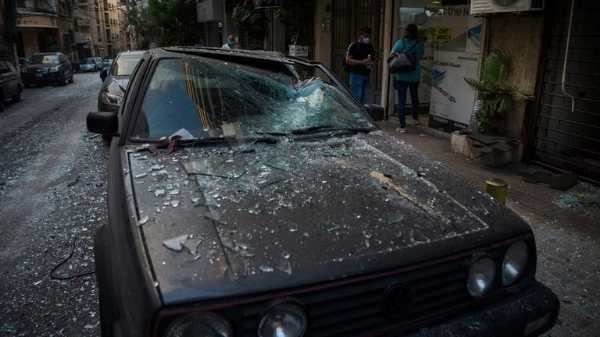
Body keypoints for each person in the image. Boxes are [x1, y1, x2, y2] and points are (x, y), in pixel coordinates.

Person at [389, 24, 424, 133]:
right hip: (414, 75)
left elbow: (392, 56)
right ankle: (415, 118)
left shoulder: (400, 42)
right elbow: (420, 56)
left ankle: (402, 125)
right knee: (414, 97)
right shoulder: (419, 44)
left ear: (406, 32)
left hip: (401, 76)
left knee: (402, 100)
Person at [345, 27, 376, 104]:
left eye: (369, 36)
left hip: (366, 74)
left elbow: (373, 59)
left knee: (365, 98)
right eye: (366, 36)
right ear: (361, 36)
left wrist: (370, 62)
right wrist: (362, 62)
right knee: (356, 98)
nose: (367, 38)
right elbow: (348, 60)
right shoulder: (354, 46)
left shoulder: (370, 46)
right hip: (356, 74)